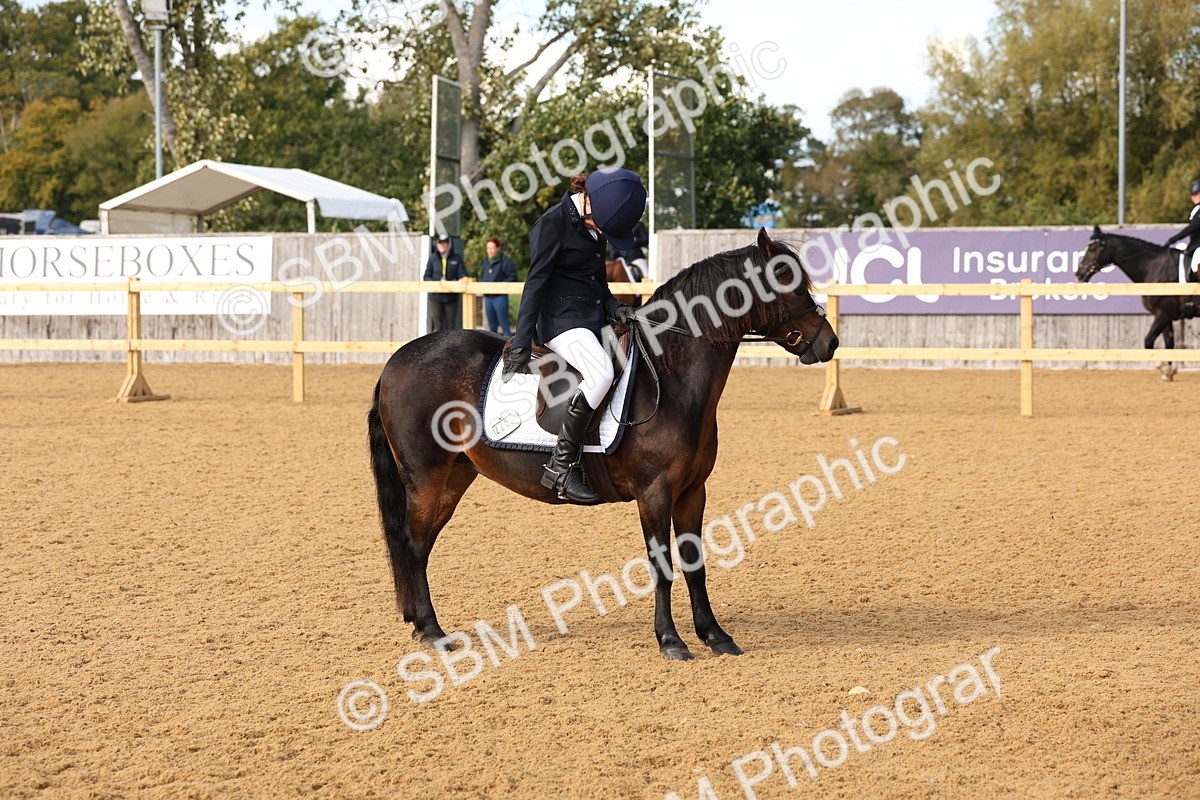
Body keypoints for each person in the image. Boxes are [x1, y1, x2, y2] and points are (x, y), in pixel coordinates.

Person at [501, 168, 646, 504]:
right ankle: (561, 466)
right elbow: (535, 284)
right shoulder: (551, 224)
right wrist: (522, 340)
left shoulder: (597, 224)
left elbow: (596, 284)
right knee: (601, 374)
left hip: (591, 318)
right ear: (589, 205)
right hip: (560, 321)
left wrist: (615, 309)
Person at [423, 234, 467, 331]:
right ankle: (438, 346)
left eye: (445, 243)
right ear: (437, 245)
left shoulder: (457, 258)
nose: (443, 246)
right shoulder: (432, 258)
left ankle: (450, 346)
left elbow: (463, 274)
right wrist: (436, 284)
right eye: (440, 243)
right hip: (435, 297)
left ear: (449, 244)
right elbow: (426, 276)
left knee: (451, 327)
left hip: (451, 297)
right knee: (438, 326)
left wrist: (460, 280)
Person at [478, 238, 518, 336]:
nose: (490, 251)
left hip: (500, 297)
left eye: (492, 248)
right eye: (488, 248)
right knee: (492, 327)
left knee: (504, 325)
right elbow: (482, 277)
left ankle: (509, 349)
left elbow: (512, 276)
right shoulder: (485, 262)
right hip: (488, 298)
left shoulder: (505, 261)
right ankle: (494, 350)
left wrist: (501, 285)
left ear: (498, 248)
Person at [1166, 179, 1200, 283]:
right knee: (1179, 250)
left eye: (1197, 194)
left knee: (1196, 262)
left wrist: (1174, 238)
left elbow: (1193, 226)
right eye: (1192, 194)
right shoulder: (1196, 210)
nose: (1194, 196)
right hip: (1194, 245)